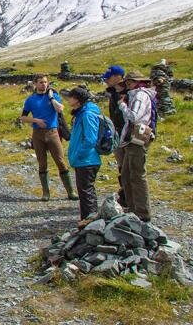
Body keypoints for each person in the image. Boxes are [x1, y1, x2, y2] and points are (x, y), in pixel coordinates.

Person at [20, 73, 77, 201]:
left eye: (45, 82)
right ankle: (46, 193)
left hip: (53, 132)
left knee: (61, 162)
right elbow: (23, 117)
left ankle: (71, 192)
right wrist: (35, 120)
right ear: (35, 84)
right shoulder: (31, 99)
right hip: (38, 134)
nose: (43, 84)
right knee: (42, 163)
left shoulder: (53, 96)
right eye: (40, 82)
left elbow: (60, 109)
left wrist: (51, 98)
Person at [118, 70, 157, 222]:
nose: (128, 85)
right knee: (127, 175)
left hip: (137, 139)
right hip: (132, 139)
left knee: (137, 176)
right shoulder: (138, 94)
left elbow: (134, 116)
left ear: (138, 82)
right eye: (127, 82)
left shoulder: (140, 95)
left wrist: (122, 106)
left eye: (130, 82)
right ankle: (133, 209)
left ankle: (142, 213)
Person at [66, 86, 101, 222]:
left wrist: (79, 154)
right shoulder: (81, 113)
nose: (68, 99)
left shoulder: (87, 114)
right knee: (85, 192)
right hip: (84, 160)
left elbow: (90, 139)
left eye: (70, 97)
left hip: (87, 160)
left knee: (87, 193)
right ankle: (88, 221)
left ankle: (90, 223)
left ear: (77, 99)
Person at [102, 65, 127, 206]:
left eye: (109, 77)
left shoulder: (129, 93)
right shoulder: (113, 93)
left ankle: (131, 197)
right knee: (121, 165)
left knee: (129, 166)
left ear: (118, 77)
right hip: (117, 134)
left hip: (129, 135)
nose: (106, 80)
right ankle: (124, 194)